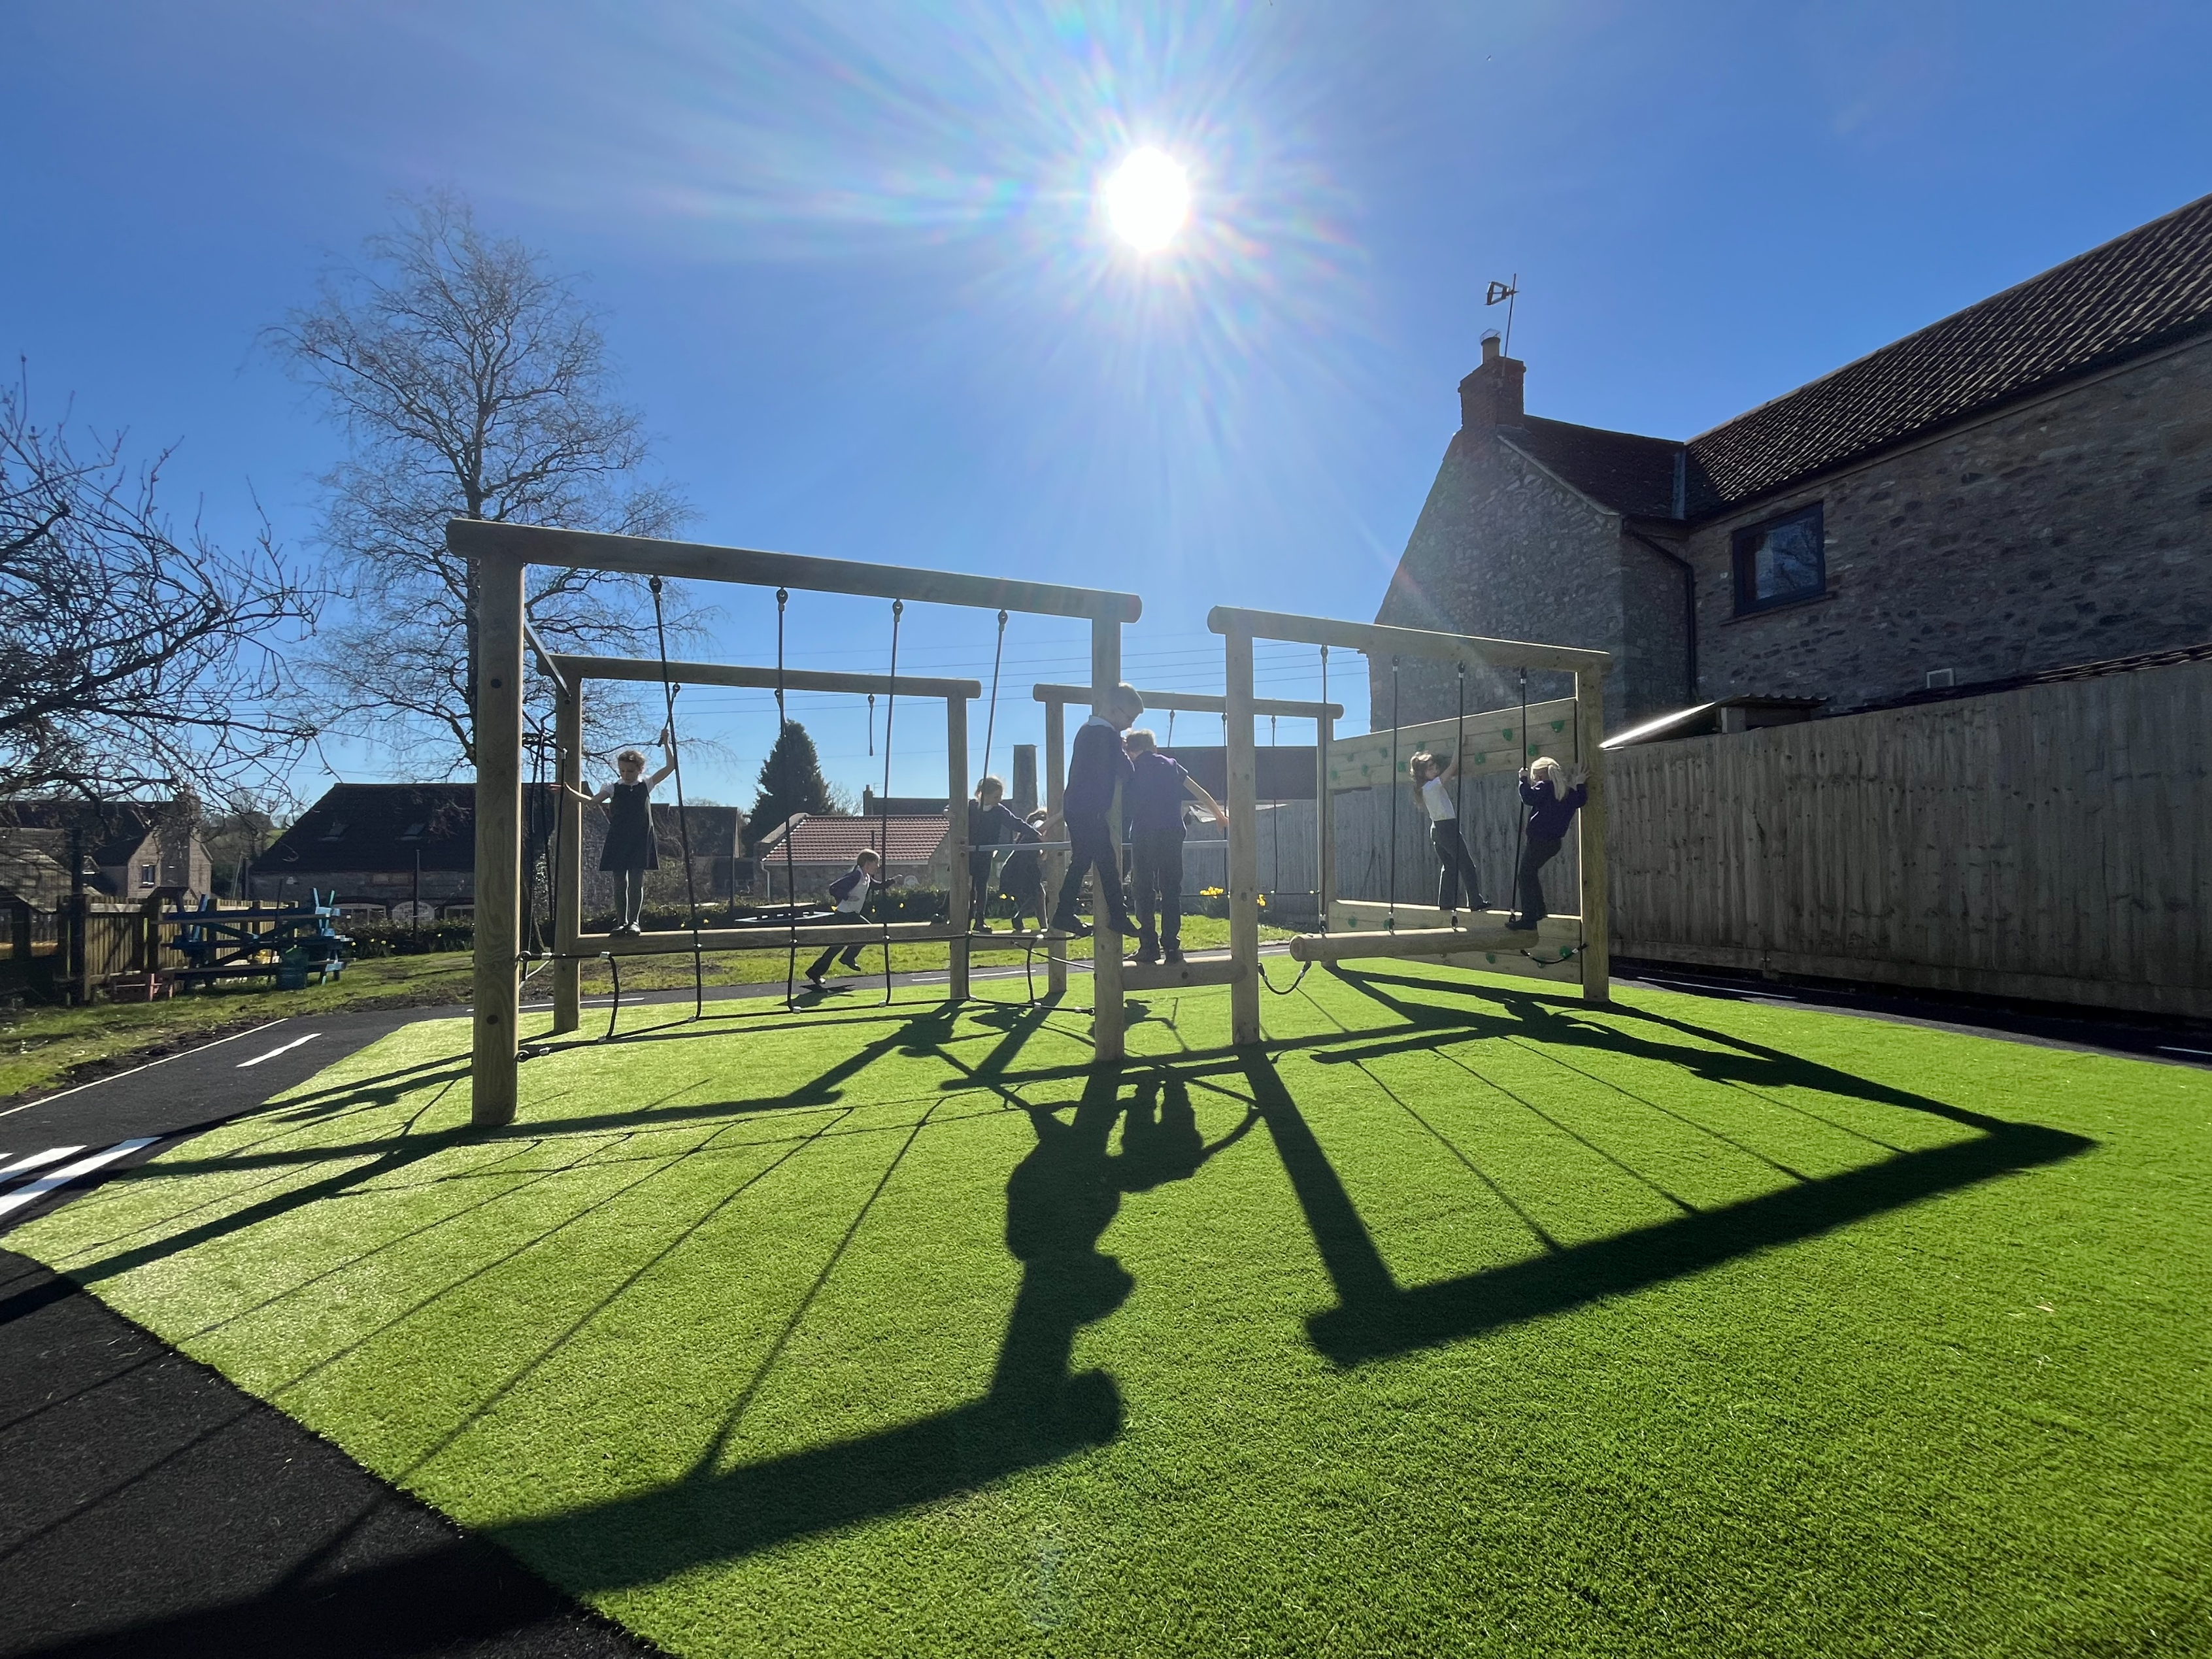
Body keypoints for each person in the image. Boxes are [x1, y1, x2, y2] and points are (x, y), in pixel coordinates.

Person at [1048, 684, 1145, 940]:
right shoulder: (1109, 736)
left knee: (1105, 862)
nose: (1129, 725)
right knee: (1085, 860)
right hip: (1090, 808)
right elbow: (1127, 772)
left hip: (1077, 806)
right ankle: (1066, 912)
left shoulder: (1086, 730)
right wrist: (1124, 751)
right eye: (1129, 718)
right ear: (1115, 710)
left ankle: (1116, 915)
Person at [1122, 729, 1227, 965]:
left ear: (1132, 751)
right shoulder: (1171, 764)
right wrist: (1218, 815)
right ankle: (1172, 947)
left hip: (1144, 832)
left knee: (1143, 888)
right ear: (1153, 747)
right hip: (1171, 832)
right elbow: (1198, 791)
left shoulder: (1132, 767)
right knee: (1171, 889)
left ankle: (1148, 944)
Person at [581, 731, 676, 935]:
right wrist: (567, 791)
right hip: (618, 839)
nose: (626, 774)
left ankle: (634, 922)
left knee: (636, 880)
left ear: (640, 770)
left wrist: (666, 743)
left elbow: (670, 767)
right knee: (619, 881)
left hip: (640, 839)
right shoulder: (613, 788)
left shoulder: (646, 785)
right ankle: (621, 922)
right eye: (623, 770)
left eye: (630, 771)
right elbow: (592, 801)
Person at [1508, 757, 1589, 931]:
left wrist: (1522, 780)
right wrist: (1580, 783)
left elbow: (1528, 797)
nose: (1534, 780)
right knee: (1530, 874)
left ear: (1541, 774)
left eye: (1535, 776)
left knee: (1524, 876)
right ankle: (1538, 911)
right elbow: (1582, 800)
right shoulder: (1568, 792)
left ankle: (1530, 918)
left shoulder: (1544, 787)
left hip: (1539, 841)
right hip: (1553, 843)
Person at [1407, 748, 1488, 913]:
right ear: (1423, 774)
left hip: (1437, 829)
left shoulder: (1427, 787)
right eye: (1430, 768)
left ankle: (1445, 904)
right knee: (1467, 865)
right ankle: (1475, 901)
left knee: (1450, 867)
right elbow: (1453, 767)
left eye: (1434, 765)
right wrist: (1459, 745)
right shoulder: (1431, 787)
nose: (1435, 769)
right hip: (1446, 828)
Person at [805, 848, 881, 988]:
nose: (878, 866)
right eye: (876, 863)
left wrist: (892, 882)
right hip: (845, 914)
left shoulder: (866, 877)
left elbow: (877, 886)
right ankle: (848, 958)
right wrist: (847, 897)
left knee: (837, 946)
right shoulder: (855, 876)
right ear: (867, 863)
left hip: (851, 914)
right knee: (870, 932)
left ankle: (814, 972)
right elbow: (833, 888)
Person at [965, 776, 1031, 932]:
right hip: (968, 853)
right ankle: (943, 912)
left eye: (1000, 797)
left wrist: (1035, 833)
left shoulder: (999, 811)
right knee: (963, 884)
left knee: (981, 887)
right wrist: (947, 813)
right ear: (983, 794)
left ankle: (979, 920)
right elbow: (950, 809)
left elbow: (1015, 823)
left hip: (985, 853)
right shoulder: (970, 807)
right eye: (996, 797)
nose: (999, 800)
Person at [996, 808, 1050, 931]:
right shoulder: (1037, 823)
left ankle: (1043, 926)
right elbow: (1041, 827)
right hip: (1023, 866)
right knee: (1037, 895)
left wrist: (1047, 848)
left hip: (1016, 866)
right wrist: (1057, 817)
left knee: (1038, 894)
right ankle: (1019, 918)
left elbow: (1042, 857)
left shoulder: (1027, 835)